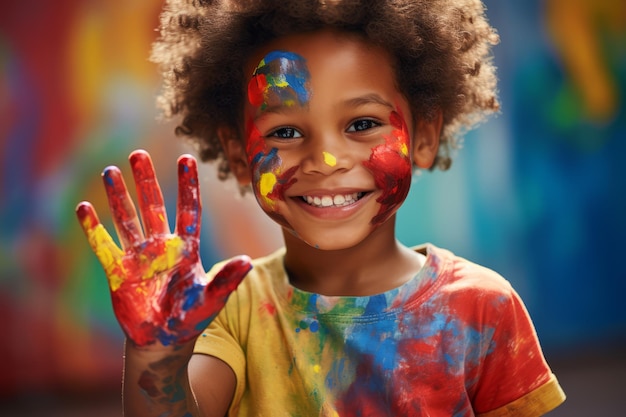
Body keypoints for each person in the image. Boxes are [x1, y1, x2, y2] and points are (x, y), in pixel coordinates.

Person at [76, 0, 566, 416]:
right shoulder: (230, 306)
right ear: (238, 158)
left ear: (425, 136)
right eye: (285, 132)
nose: (326, 160)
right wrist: (157, 356)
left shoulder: (482, 306)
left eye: (362, 124)